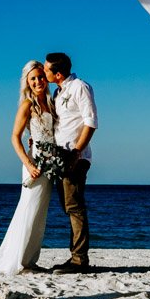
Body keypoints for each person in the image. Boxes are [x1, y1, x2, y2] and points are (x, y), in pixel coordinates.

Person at [0, 60, 56, 275]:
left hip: (49, 165)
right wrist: (28, 163)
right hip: (33, 165)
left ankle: (30, 260)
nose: (37, 81)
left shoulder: (51, 103)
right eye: (32, 79)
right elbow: (15, 138)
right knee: (28, 210)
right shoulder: (27, 105)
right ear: (27, 83)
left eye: (40, 77)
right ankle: (20, 263)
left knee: (39, 214)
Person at [44, 52, 97, 273]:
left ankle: (79, 260)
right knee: (68, 206)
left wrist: (76, 152)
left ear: (57, 73)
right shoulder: (58, 92)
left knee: (75, 207)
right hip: (60, 159)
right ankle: (75, 257)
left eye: (46, 69)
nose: (43, 71)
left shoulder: (79, 87)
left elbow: (91, 122)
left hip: (75, 157)